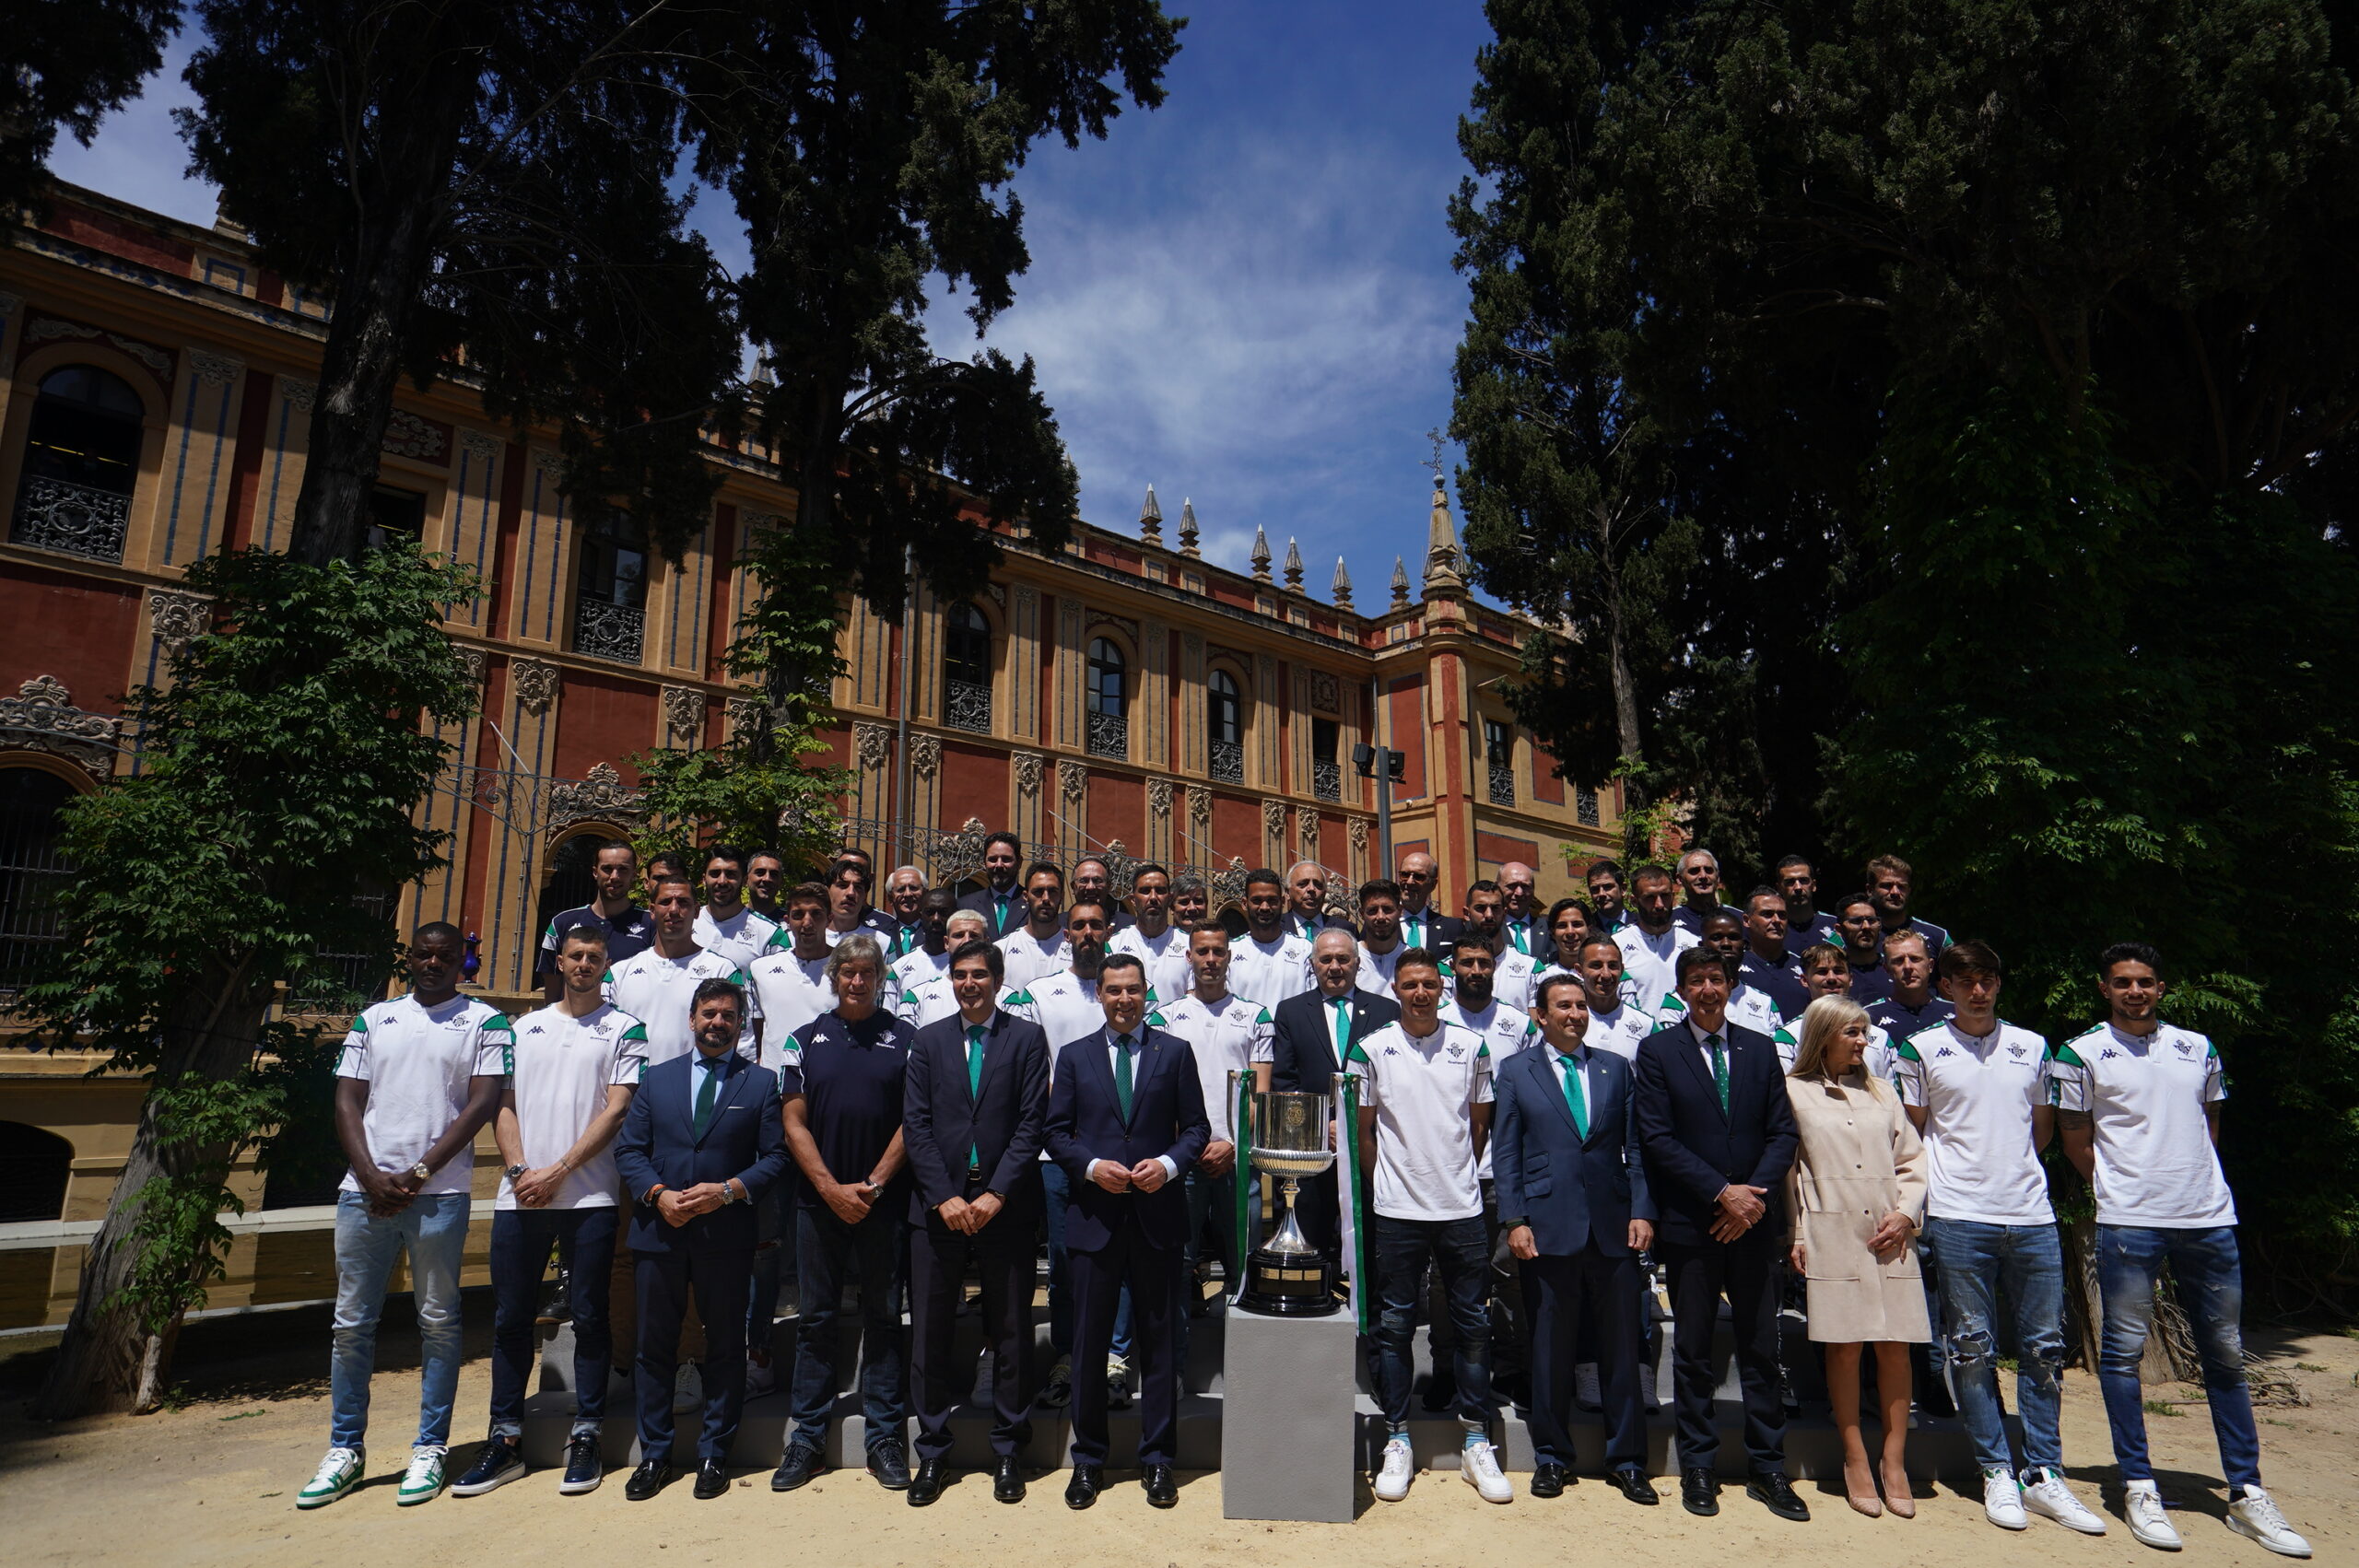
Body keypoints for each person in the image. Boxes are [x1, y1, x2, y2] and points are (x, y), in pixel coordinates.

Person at [2052, 943, 2312, 1558]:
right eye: (2123, 982)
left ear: (2162, 988)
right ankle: (2138, 1486)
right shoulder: (2079, 1053)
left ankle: (2247, 1494)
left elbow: (2209, 1126)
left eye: (2145, 982)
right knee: (2121, 1357)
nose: (2135, 991)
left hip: (2208, 1219)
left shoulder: (2200, 1046)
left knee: (2223, 1356)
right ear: (2104, 988)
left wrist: (2186, 1181)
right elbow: (2072, 1139)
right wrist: (2122, 1191)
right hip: (2128, 1223)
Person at [298, 925, 511, 1511]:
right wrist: (368, 1174)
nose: (433, 963)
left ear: (461, 960)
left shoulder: (485, 1022)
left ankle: (430, 1448)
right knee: (350, 1326)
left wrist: (418, 1174)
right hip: (362, 1194)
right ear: (410, 959)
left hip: (439, 1196)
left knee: (439, 1323)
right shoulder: (373, 1019)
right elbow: (346, 1098)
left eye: (445, 955)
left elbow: (484, 1102)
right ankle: (345, 1450)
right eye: (423, 954)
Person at [1897, 940, 2107, 1537]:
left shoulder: (2033, 1047)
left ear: (1998, 982)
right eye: (1964, 980)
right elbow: (1910, 1134)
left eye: (1986, 978)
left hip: (2031, 1214)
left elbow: (2040, 1131)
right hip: (1959, 1216)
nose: (1977, 990)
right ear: (1946, 987)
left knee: (2043, 1347)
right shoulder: (1922, 1048)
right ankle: (1996, 1470)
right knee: (1970, 1346)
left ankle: (2043, 1474)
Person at [453, 926, 643, 1499]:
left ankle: (586, 1435)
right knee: (511, 1318)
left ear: (605, 966)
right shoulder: (522, 1029)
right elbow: (502, 1103)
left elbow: (617, 1110)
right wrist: (518, 1172)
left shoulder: (624, 1029)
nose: (584, 965)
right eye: (575, 956)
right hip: (521, 1196)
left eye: (594, 957)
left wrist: (557, 1172)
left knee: (589, 1316)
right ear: (559, 962)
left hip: (590, 1195)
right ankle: (504, 1437)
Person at [1633, 946, 1807, 1522]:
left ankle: (1768, 1468)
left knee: (1761, 1350)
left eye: (1716, 979)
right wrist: (1720, 1193)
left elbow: (1783, 1133)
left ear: (1731, 986)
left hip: (1755, 1225)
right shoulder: (1658, 1051)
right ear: (1681, 989)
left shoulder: (1759, 1050)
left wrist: (1751, 1197)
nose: (1708, 989)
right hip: (1693, 1224)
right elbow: (1657, 1139)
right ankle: (1700, 1465)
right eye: (1696, 980)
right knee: (1693, 1351)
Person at [612, 978, 788, 1502]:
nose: (717, 1023)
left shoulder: (760, 1084)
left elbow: (775, 1158)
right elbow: (630, 1152)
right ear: (692, 1019)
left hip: (726, 1234)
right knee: (655, 1348)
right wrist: (657, 1194)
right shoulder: (657, 1080)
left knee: (727, 1346)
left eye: (728, 1016)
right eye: (709, 1014)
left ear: (739, 1025)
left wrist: (730, 1191)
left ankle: (715, 1452)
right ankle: (656, 1454)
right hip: (660, 1232)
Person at [1045, 954, 1210, 1511]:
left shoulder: (1175, 1053)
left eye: (1133, 991)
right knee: (1089, 1344)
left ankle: (1158, 1459)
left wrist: (1166, 1166)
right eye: (1113, 991)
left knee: (1159, 1344)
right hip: (1094, 1218)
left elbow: (1197, 1130)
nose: (1123, 1000)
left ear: (1147, 994)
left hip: (1158, 1218)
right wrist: (1092, 1168)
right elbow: (1057, 1132)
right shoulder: (1074, 1057)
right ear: (1099, 994)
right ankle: (1088, 1460)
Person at [1494, 973, 1657, 1505]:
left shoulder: (1617, 1068)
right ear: (1540, 1014)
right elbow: (1507, 1152)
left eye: (1581, 1006)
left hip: (1613, 1227)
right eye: (1563, 1006)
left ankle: (1628, 1461)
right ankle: (1551, 1458)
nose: (1575, 1014)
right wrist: (1514, 1220)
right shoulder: (1517, 1071)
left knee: (1620, 1349)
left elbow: (1635, 1147)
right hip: (1546, 1227)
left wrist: (1642, 1211)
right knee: (1550, 1350)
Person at [1355, 950, 1511, 1505]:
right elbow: (1365, 1131)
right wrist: (1390, 1187)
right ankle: (1396, 1438)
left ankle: (1476, 1441)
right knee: (1395, 1327)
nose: (1419, 993)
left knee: (1471, 1325)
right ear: (1395, 988)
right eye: (1409, 984)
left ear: (1442, 987)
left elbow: (1478, 1125)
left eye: (1428, 983)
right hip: (1397, 1211)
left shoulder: (1473, 1046)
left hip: (1462, 1209)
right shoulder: (1371, 1048)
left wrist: (1450, 1177)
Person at [901, 938, 1050, 1506]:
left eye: (979, 975)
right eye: (960, 975)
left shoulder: (1027, 1039)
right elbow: (915, 1124)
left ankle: (1009, 1450)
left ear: (997, 979)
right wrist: (943, 1197)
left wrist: (995, 1194)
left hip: (1004, 1206)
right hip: (936, 1208)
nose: (969, 984)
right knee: (931, 1332)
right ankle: (933, 1451)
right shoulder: (928, 1040)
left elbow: (1032, 1122)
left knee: (1011, 1330)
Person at [772, 935, 915, 1493]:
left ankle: (884, 1437)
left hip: (885, 1203)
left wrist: (874, 1184)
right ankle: (806, 1438)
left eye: (867, 972)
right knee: (815, 1320)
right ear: (833, 977)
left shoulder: (906, 1039)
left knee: (883, 1318)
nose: (857, 981)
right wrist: (831, 1188)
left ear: (881, 978)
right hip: (818, 1203)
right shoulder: (804, 1040)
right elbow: (793, 1122)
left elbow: (914, 1120)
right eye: (848, 972)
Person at [1783, 995, 1931, 1519]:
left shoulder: (1883, 1092)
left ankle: (1894, 1461)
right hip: (1832, 1232)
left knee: (1896, 1348)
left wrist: (1907, 1214)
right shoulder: (1794, 1092)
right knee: (1844, 1349)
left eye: (1865, 1032)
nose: (1864, 1041)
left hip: (1890, 1234)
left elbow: (1913, 1160)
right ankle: (1854, 1459)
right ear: (1823, 1034)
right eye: (1853, 1032)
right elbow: (1791, 1172)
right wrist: (1797, 1234)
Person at [1003, 898, 1137, 1409]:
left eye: (1096, 925)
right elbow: (1033, 1073)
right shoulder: (1037, 993)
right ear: (1066, 933)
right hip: (1057, 1154)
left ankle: (1115, 1358)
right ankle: (1069, 1352)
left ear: (1109, 932)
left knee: (1119, 1257)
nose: (1087, 932)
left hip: (1123, 1152)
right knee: (1064, 1261)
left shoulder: (1124, 992)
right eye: (1078, 925)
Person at [1437, 938, 1539, 1403]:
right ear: (1453, 967)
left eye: (1483, 962)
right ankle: (1445, 1368)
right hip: (1448, 1170)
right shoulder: (1434, 1020)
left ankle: (1511, 1368)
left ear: (1494, 967)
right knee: (1446, 1275)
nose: (1475, 969)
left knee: (1508, 1275)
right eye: (1466, 962)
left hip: (1503, 1170)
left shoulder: (1518, 1024)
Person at [1154, 923, 1273, 1308]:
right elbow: (1159, 1092)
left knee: (1244, 1256)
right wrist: (1189, 1145)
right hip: (1182, 1155)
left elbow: (1260, 1092)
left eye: (1218, 951)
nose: (1210, 959)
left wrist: (1234, 1145)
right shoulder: (1164, 1017)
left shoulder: (1256, 1016)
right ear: (1189, 956)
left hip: (1236, 1157)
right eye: (1202, 951)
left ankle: (1241, 1341)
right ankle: (1179, 1343)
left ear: (1229, 956)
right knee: (1179, 1255)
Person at [1271, 927, 1401, 1277]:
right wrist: (1322, 1126)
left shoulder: (1387, 1011)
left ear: (1357, 964)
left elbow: (1394, 1080)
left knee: (1371, 1237)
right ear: (1313, 965)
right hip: (1315, 1150)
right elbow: (1285, 1081)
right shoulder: (1291, 1012)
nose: (1334, 966)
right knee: (1313, 1234)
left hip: (1371, 1146)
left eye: (1343, 959)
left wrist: (1355, 1128)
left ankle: (1369, 1316)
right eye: (1326, 959)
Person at [604, 873, 754, 1067]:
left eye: (683, 902)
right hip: (631, 1091)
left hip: (693, 1091)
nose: (674, 910)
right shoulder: (619, 973)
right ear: (652, 910)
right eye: (665, 902)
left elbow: (731, 1040)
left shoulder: (723, 971)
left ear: (697, 911)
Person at [538, 839, 653, 1002]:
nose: (615, 876)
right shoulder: (562, 923)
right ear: (595, 872)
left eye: (623, 869)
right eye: (607, 869)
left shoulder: (651, 924)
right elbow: (553, 995)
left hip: (630, 1025)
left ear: (634, 874)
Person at [1778, 943, 1895, 1079]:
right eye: (1822, 972)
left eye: (1839, 971)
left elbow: (1890, 1094)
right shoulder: (1789, 1035)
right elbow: (1788, 1091)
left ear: (1850, 979)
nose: (1832, 978)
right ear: (1805, 980)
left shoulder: (1880, 1037)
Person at [1614, 865, 1700, 1016]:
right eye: (1650, 898)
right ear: (1634, 901)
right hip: (1636, 1036)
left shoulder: (1694, 944)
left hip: (1685, 1035)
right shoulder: (1616, 946)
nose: (1659, 905)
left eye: (1665, 896)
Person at [1227, 867, 1316, 1009]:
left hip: (1292, 1031)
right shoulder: (1229, 951)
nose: (1264, 907)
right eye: (1257, 900)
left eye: (1272, 900)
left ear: (1282, 902)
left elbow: (1314, 1004)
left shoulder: (1305, 950)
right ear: (1244, 903)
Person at [692, 844, 780, 971]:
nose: (722, 881)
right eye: (715, 874)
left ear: (744, 881)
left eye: (731, 874)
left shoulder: (769, 933)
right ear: (704, 880)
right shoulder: (685, 924)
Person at [898, 908, 992, 1028]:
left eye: (974, 935)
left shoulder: (1005, 997)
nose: (967, 941)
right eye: (959, 935)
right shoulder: (916, 997)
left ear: (987, 942)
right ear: (946, 943)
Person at [1109, 862, 1190, 1001]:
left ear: (1170, 899)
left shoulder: (1190, 945)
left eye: (1160, 890)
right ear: (1133, 900)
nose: (1153, 897)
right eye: (1145, 891)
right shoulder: (1113, 945)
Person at [1574, 933, 1654, 1060]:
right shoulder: (1568, 1021)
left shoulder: (1646, 1025)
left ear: (1622, 970)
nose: (1606, 974)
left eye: (1612, 966)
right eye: (1596, 965)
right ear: (1579, 970)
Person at [996, 860, 1073, 992]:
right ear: (1025, 896)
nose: (1046, 898)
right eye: (1038, 891)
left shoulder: (1076, 949)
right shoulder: (1001, 949)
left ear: (1062, 896)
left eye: (1052, 891)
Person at [1737, 886, 1812, 1018]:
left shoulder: (1804, 966)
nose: (1777, 920)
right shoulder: (1733, 966)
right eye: (1767, 914)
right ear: (1747, 920)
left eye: (1782, 915)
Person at [1865, 929, 1954, 1039]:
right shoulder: (1869, 1017)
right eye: (1898, 960)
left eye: (1915, 959)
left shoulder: (1955, 1013)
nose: (1908, 967)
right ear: (1887, 969)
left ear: (1930, 966)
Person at [886, 888, 964, 1000]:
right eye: (929, 912)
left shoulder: (969, 965)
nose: (936, 919)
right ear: (921, 914)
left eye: (944, 912)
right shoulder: (899, 968)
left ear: (955, 914)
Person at [1866, 855, 1950, 957]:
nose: (1895, 892)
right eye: (1887, 885)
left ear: (1909, 890)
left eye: (1901, 887)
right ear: (1870, 890)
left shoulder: (1938, 937)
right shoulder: (1852, 935)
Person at [956, 830, 1027, 937]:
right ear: (984, 862)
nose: (999, 865)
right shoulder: (965, 905)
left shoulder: (1033, 904)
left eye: (1006, 859)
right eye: (993, 859)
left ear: (1019, 862)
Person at [1396, 849, 1465, 952]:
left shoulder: (1452, 927)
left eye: (1419, 877)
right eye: (1405, 875)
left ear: (1433, 884)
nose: (1410, 882)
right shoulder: (1380, 925)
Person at [1670, 848, 1743, 937]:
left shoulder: (1740, 919)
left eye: (1708, 870)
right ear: (1680, 879)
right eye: (1694, 871)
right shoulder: (1669, 921)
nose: (1703, 876)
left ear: (1718, 877)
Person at [1834, 892, 1891, 999]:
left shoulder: (1894, 969)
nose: (1866, 927)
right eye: (1856, 921)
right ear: (1839, 930)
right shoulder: (1832, 974)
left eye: (1871, 920)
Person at [1776, 855, 1840, 946]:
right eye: (1790, 882)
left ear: (1813, 885)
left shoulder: (1835, 926)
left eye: (1803, 880)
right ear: (1779, 888)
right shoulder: (1774, 929)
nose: (1798, 887)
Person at [1535, 897, 1600, 984]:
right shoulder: (1540, 977)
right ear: (1553, 933)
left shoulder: (1606, 973)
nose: (1570, 932)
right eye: (1562, 926)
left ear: (1590, 930)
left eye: (1577, 924)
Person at [1285, 859, 1350, 941]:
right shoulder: (1274, 927)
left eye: (1318, 885)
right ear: (1287, 893)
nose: (1311, 889)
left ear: (1325, 892)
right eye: (1303, 884)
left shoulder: (1346, 929)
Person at [1070, 856, 1135, 933]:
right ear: (1073, 887)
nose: (1090, 887)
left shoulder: (1130, 926)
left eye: (1097, 881)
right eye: (1083, 881)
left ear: (1109, 886)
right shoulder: (1058, 925)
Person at [876, 866, 930, 956]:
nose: (908, 894)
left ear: (925, 894)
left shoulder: (935, 933)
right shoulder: (879, 934)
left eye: (913, 888)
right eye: (901, 889)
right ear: (890, 898)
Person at [1496, 861, 1543, 958]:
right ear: (1497, 887)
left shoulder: (1549, 930)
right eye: (1512, 886)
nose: (1519, 893)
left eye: (1525, 886)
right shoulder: (1489, 928)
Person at [1586, 859, 1634, 930]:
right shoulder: (1586, 929)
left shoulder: (1642, 926)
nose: (1601, 894)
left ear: (1623, 889)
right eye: (1595, 889)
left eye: (1608, 887)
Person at [746, 848, 789, 922]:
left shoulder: (790, 922)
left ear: (781, 882)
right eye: (760, 873)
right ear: (746, 879)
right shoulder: (731, 919)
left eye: (774, 875)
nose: (767, 879)